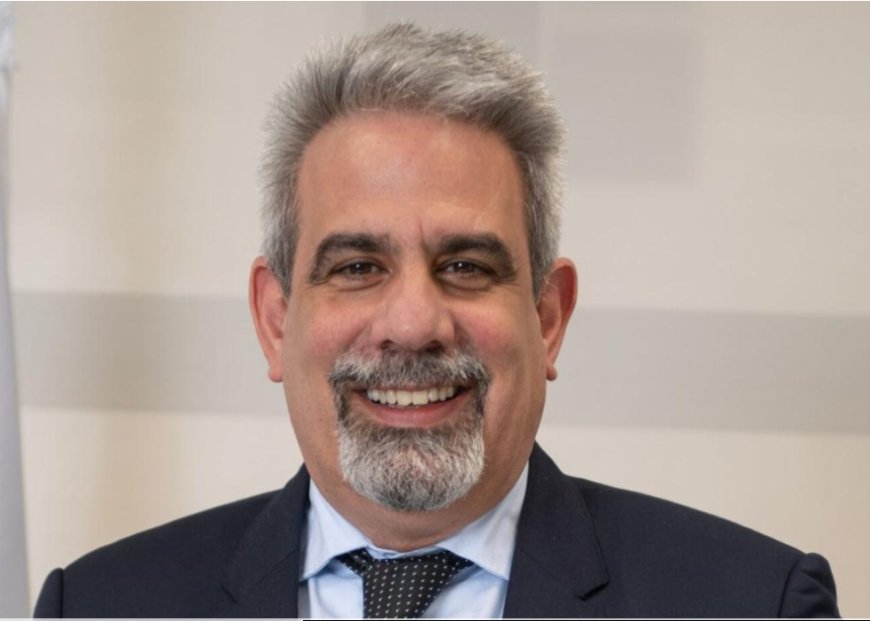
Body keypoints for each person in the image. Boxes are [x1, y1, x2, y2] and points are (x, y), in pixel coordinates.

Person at [34, 23, 838, 618]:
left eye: (465, 266)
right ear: (275, 320)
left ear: (547, 317)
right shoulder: (100, 604)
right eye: (357, 267)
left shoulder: (750, 601)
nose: (414, 322)